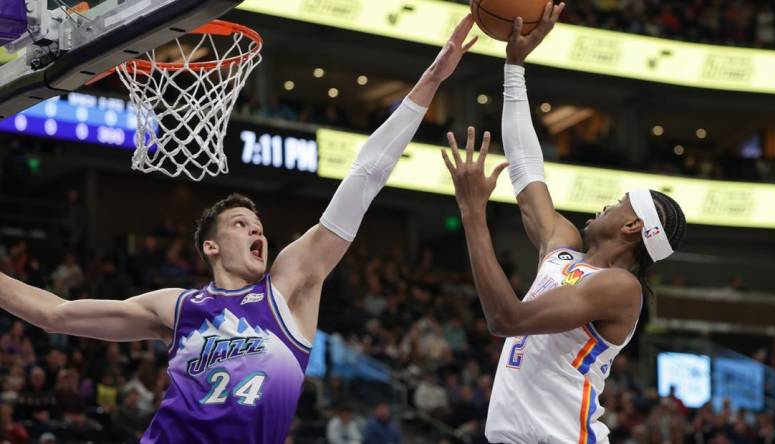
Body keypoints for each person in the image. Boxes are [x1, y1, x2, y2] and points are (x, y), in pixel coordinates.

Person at [0, 15, 478, 444]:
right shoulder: (178, 306)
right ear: (211, 245)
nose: (258, 231)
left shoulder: (289, 286)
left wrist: (432, 80)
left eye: (259, 225)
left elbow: (366, 176)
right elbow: (57, 314)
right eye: (241, 223)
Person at [440, 3, 687, 443]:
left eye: (617, 205)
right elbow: (525, 166)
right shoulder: (564, 246)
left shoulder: (620, 288)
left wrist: (473, 214)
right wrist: (514, 67)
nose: (604, 208)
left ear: (633, 227)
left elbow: (506, 318)